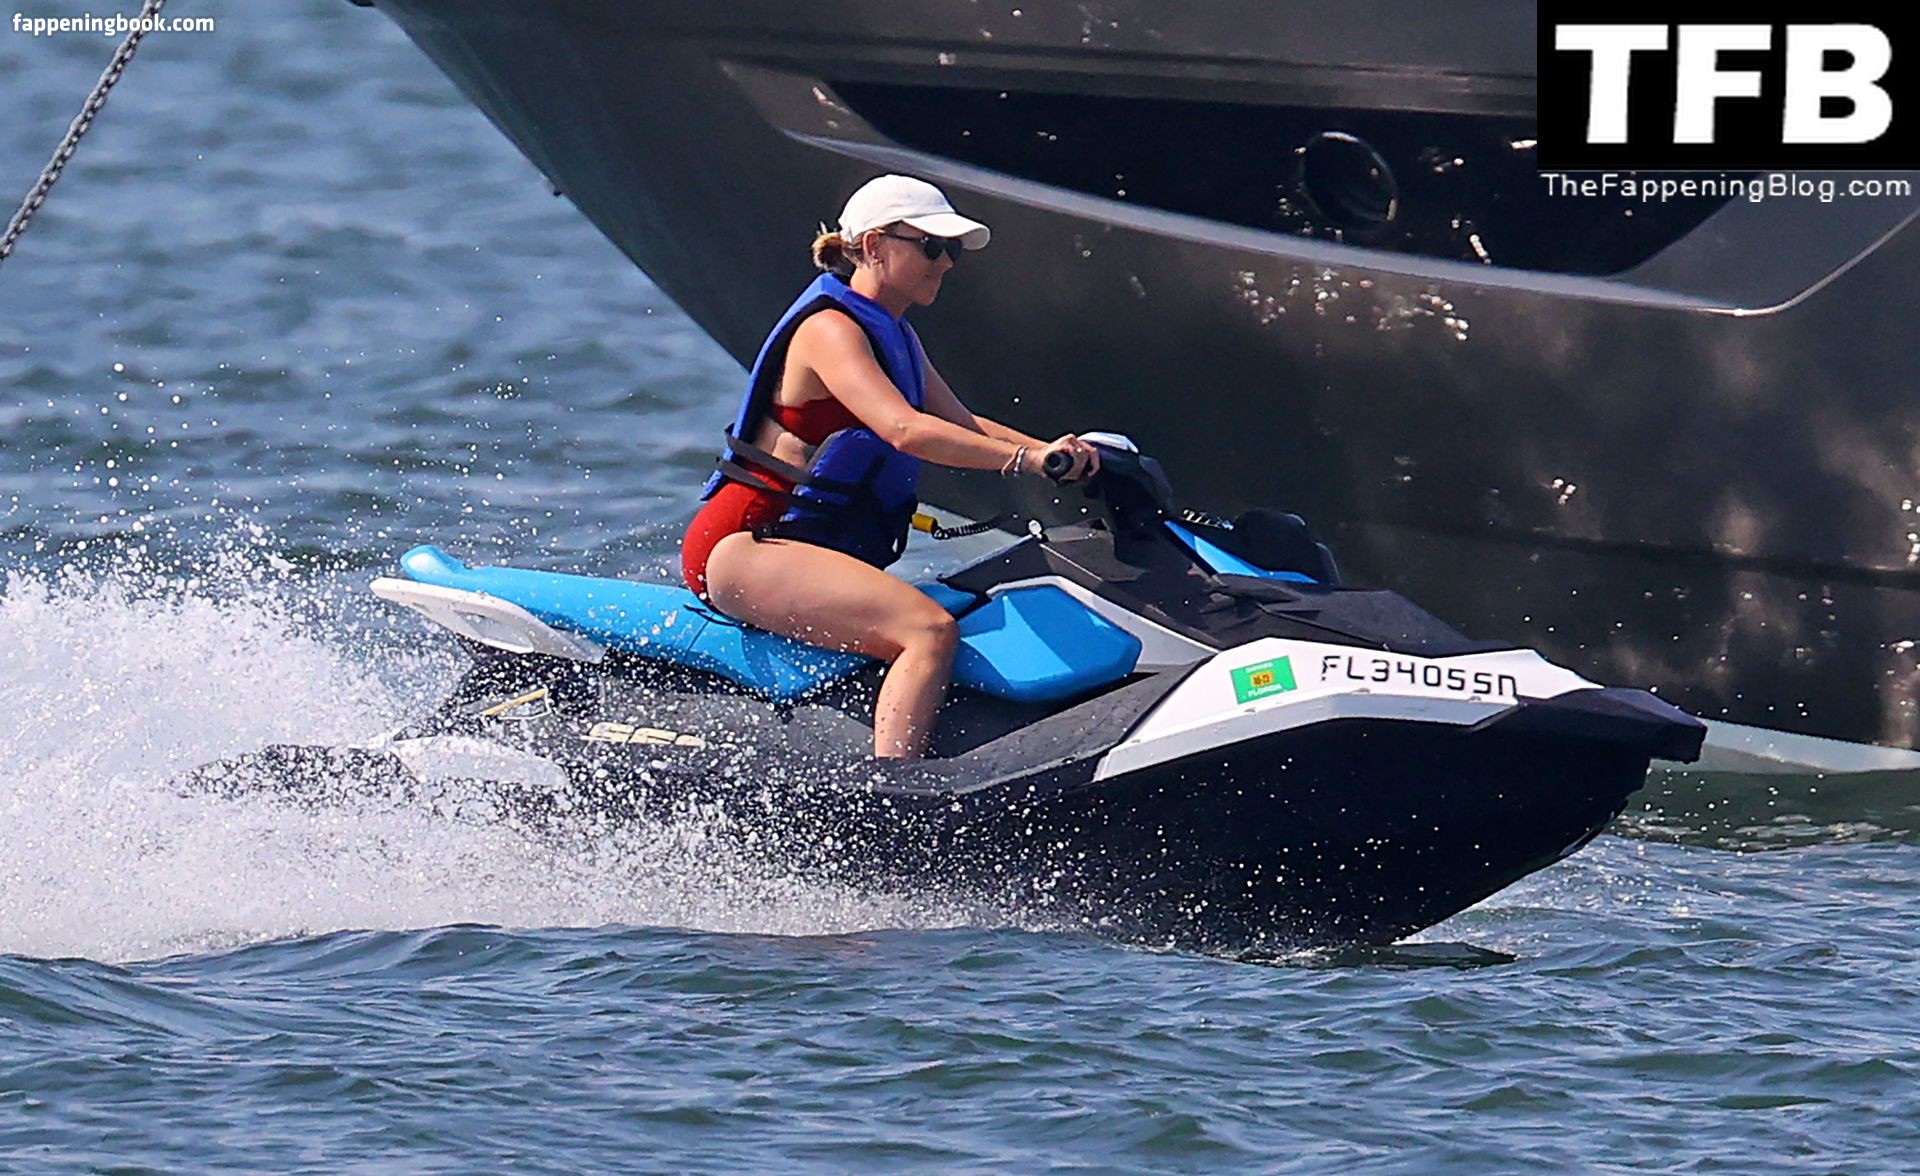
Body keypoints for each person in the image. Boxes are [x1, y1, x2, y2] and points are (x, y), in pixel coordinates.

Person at [681, 174, 1100, 760]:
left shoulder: (895, 332)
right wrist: (1026, 460)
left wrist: (1061, 453)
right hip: (746, 544)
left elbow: (963, 423)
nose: (946, 263)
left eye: (951, 251)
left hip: (805, 546)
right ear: (875, 245)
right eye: (932, 246)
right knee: (928, 631)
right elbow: (905, 429)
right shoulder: (829, 329)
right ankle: (894, 792)